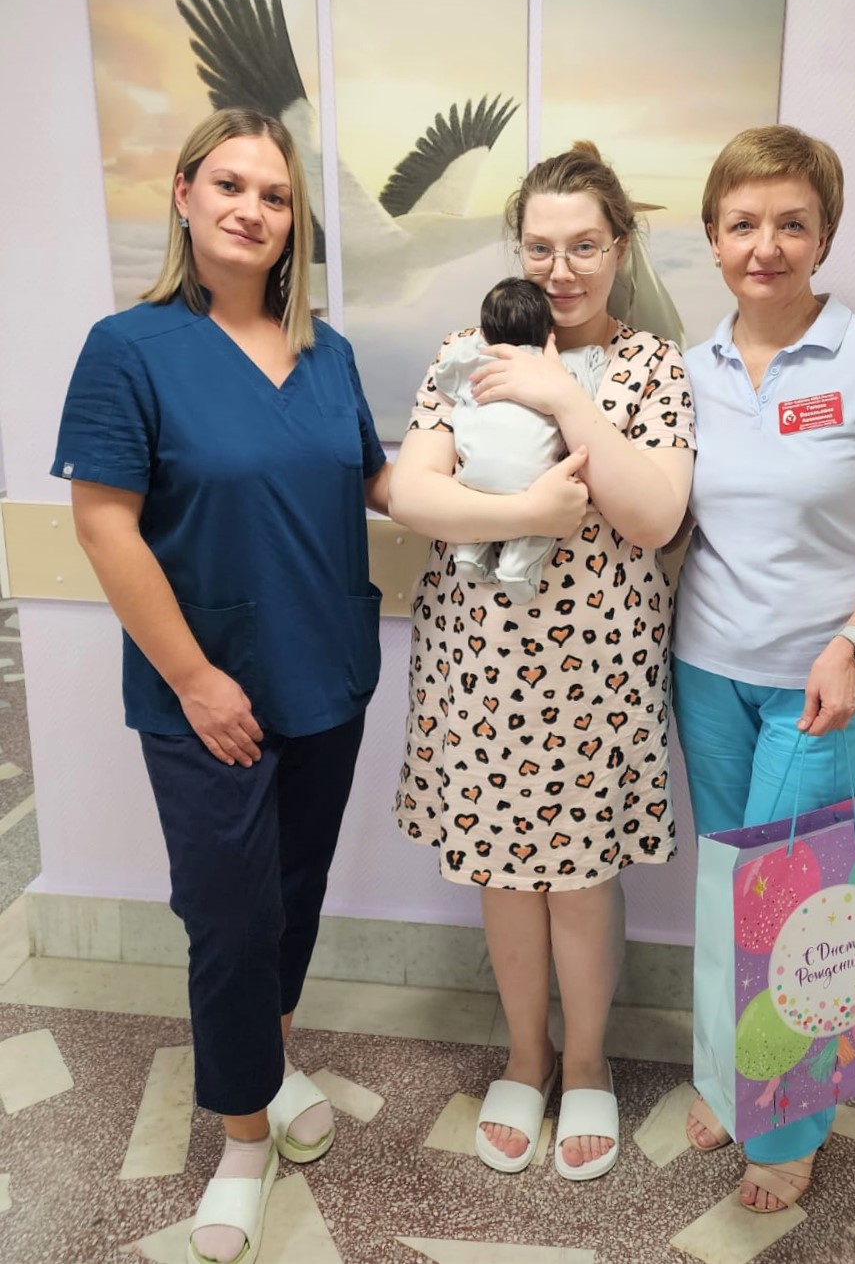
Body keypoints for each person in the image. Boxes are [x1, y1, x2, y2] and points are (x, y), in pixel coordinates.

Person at [52, 108, 389, 1264]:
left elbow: (381, 482)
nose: (253, 209)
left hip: (325, 676)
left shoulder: (328, 353)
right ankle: (243, 1136)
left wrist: (524, 488)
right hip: (207, 696)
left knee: (292, 895)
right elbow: (104, 526)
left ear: (296, 221)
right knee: (229, 918)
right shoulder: (128, 347)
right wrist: (195, 678)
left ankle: (272, 1055)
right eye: (231, 185)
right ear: (185, 194)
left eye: (276, 195)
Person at [390, 142, 695, 1181]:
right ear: (515, 248)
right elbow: (413, 491)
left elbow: (653, 517)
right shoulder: (465, 348)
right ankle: (524, 1056)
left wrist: (564, 395)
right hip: (478, 664)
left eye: (584, 247)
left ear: (620, 247)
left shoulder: (653, 366)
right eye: (539, 247)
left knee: (581, 877)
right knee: (502, 871)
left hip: (596, 674)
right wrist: (527, 510)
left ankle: (588, 1059)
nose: (560, 270)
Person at [672, 125, 855, 1213]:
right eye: (742, 223)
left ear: (823, 236)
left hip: (823, 681)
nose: (765, 246)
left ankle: (787, 1125)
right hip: (705, 669)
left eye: (791, 223)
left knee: (794, 912)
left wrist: (850, 644)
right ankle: (726, 1076)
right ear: (711, 237)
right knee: (724, 894)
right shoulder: (689, 368)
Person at [436, 276, 607, 602]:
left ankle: (469, 555)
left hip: (474, 481)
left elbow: (443, 376)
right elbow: (587, 388)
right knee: (544, 513)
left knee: (480, 504)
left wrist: (476, 348)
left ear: (485, 333)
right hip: (532, 483)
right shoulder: (557, 369)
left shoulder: (472, 365)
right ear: (549, 332)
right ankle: (518, 567)